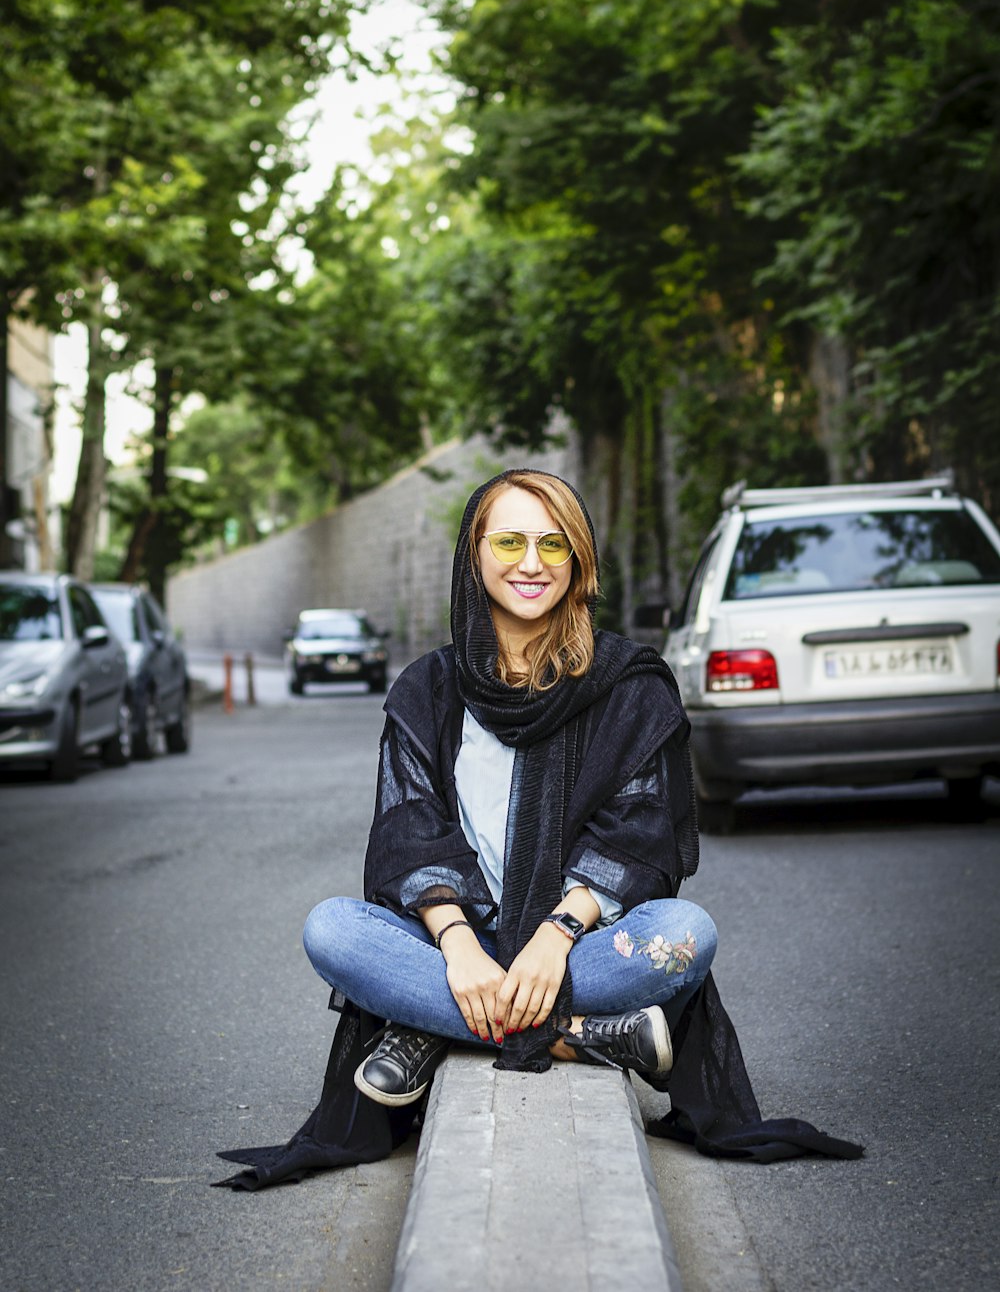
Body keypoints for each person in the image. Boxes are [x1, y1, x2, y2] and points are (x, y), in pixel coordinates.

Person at [216, 470, 861, 1191]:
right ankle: (576, 1036)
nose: (531, 563)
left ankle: (431, 1028)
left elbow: (641, 835)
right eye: (511, 540)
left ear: (577, 560)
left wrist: (555, 936)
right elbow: (410, 829)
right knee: (331, 928)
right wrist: (459, 948)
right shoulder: (427, 690)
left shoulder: (628, 686)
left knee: (687, 931)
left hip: (579, 948)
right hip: (456, 945)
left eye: (553, 544)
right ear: (474, 554)